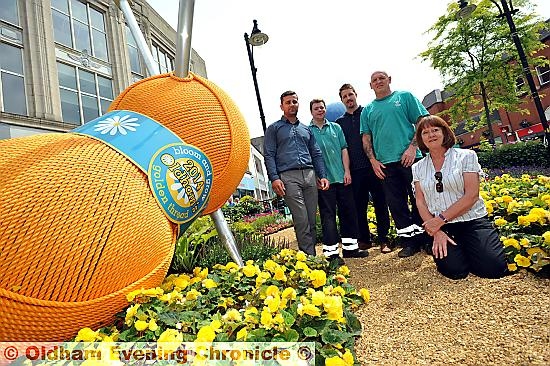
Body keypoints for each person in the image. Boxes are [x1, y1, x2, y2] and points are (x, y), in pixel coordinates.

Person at [412, 115, 507, 279]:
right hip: (443, 227)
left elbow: (471, 196)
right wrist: (436, 231)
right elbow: (420, 201)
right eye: (425, 132)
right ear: (421, 139)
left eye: (435, 130)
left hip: (473, 220)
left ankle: (476, 246)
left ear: (445, 132)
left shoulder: (466, 156)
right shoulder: (418, 167)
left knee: (493, 268)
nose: (431, 135)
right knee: (455, 271)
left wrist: (439, 220)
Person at [360, 71, 430, 258]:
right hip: (385, 165)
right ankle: (408, 242)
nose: (378, 82)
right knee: (396, 204)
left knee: (420, 199)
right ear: (370, 85)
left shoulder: (405, 97)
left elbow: (422, 121)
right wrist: (373, 161)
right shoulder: (368, 110)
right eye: (374, 80)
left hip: (410, 158)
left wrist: (412, 147)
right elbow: (366, 137)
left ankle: (426, 238)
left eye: (382, 78)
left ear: (389, 80)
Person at [264, 91, 330, 256]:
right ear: (282, 106)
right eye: (288, 102)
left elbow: (316, 154)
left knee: (312, 220)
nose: (292, 104)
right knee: (301, 220)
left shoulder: (306, 129)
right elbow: (269, 155)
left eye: (294, 101)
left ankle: (309, 255)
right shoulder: (274, 129)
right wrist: (274, 178)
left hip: (309, 175)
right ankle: (310, 258)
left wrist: (322, 175)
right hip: (288, 178)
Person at [309, 98, 369, 264]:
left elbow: (344, 150)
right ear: (311, 112)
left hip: (342, 178)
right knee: (328, 217)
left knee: (349, 213)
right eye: (316, 108)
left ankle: (351, 249)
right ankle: (331, 254)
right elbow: (309, 158)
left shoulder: (336, 128)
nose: (320, 110)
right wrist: (317, 178)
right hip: (324, 182)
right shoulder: (308, 132)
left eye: (322, 107)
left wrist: (347, 171)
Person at [336, 84, 391, 253]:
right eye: (344, 97)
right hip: (354, 171)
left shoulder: (368, 113)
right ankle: (364, 240)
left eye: (350, 95)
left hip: (373, 166)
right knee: (358, 207)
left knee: (381, 203)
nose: (348, 98)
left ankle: (384, 240)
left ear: (355, 94)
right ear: (342, 100)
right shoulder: (339, 123)